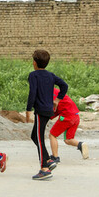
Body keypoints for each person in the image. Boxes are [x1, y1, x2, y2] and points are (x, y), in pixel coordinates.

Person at [26, 49, 69, 181]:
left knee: (38, 137)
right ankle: (48, 160)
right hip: (48, 110)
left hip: (41, 111)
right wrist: (57, 100)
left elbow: (32, 93)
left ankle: (44, 169)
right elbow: (64, 85)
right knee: (34, 136)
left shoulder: (33, 75)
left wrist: (28, 110)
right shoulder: (50, 75)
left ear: (34, 62)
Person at [49, 87, 89, 163]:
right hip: (76, 115)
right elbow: (58, 107)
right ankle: (81, 144)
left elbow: (54, 105)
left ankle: (55, 157)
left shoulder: (50, 93)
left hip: (67, 116)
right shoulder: (57, 91)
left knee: (52, 135)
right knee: (68, 139)